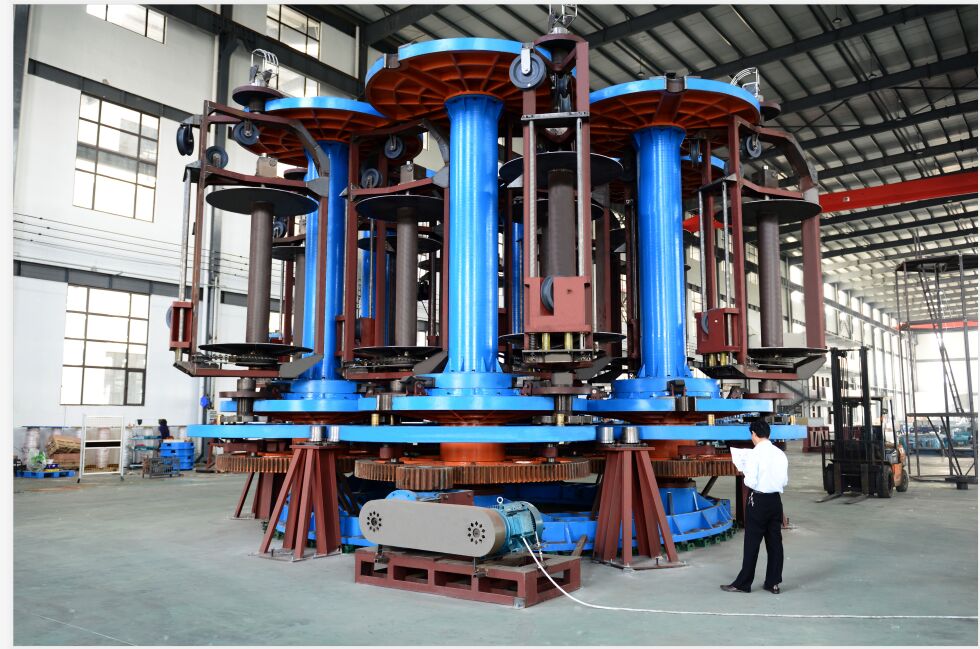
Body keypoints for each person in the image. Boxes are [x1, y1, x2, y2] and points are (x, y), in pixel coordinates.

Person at [721, 419, 787, 594]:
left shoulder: (754, 455)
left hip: (758, 500)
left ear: (753, 434)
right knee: (775, 543)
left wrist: (744, 470)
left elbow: (750, 481)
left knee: (752, 543)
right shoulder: (780, 454)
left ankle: (743, 583)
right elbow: (784, 481)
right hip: (775, 501)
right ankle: (773, 583)